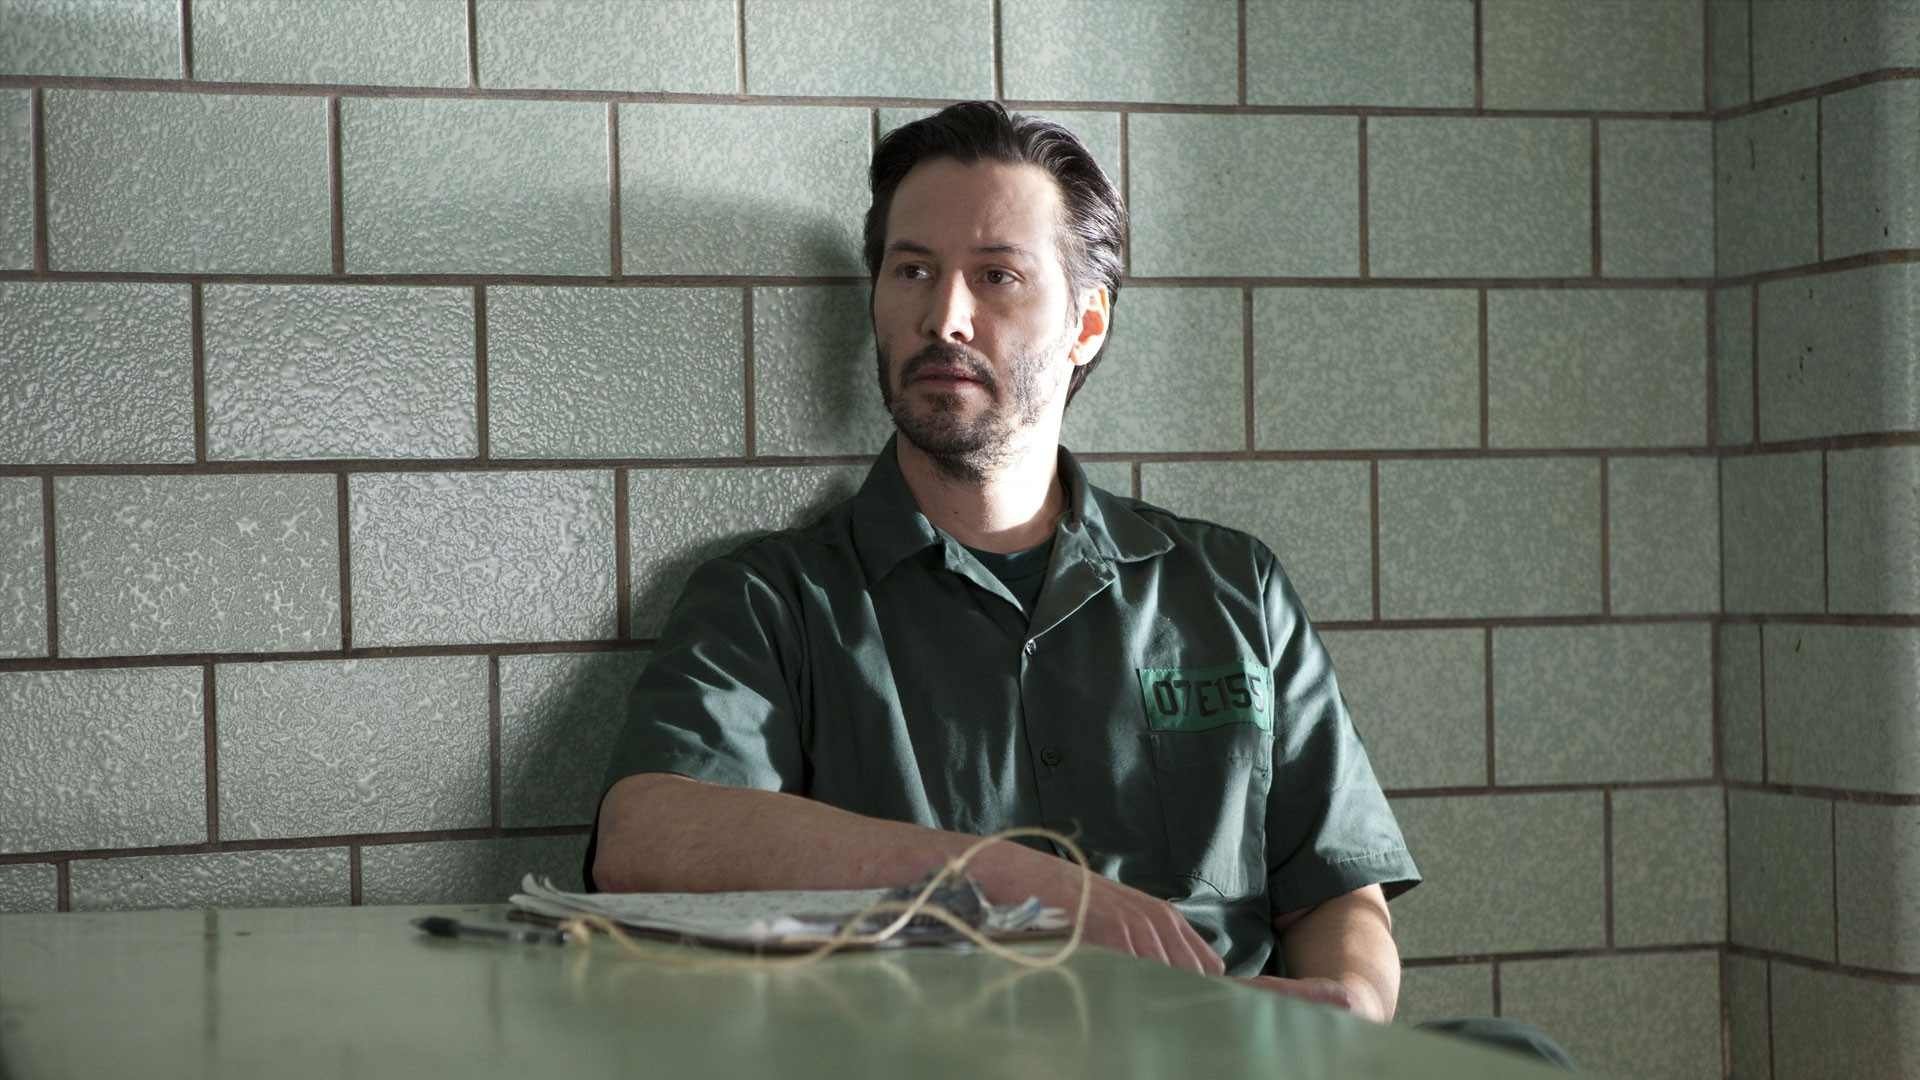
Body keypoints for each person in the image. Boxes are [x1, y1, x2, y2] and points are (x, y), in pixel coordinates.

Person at [587, 101, 1568, 1063]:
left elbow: (1335, 893)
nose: (944, 316)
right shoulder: (774, 599)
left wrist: (1343, 1014)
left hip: (1224, 1056)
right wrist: (1010, 883)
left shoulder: (1233, 588)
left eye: (997, 276)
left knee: (1514, 1054)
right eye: (912, 271)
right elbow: (646, 839)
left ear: (1086, 322)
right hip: (946, 1060)